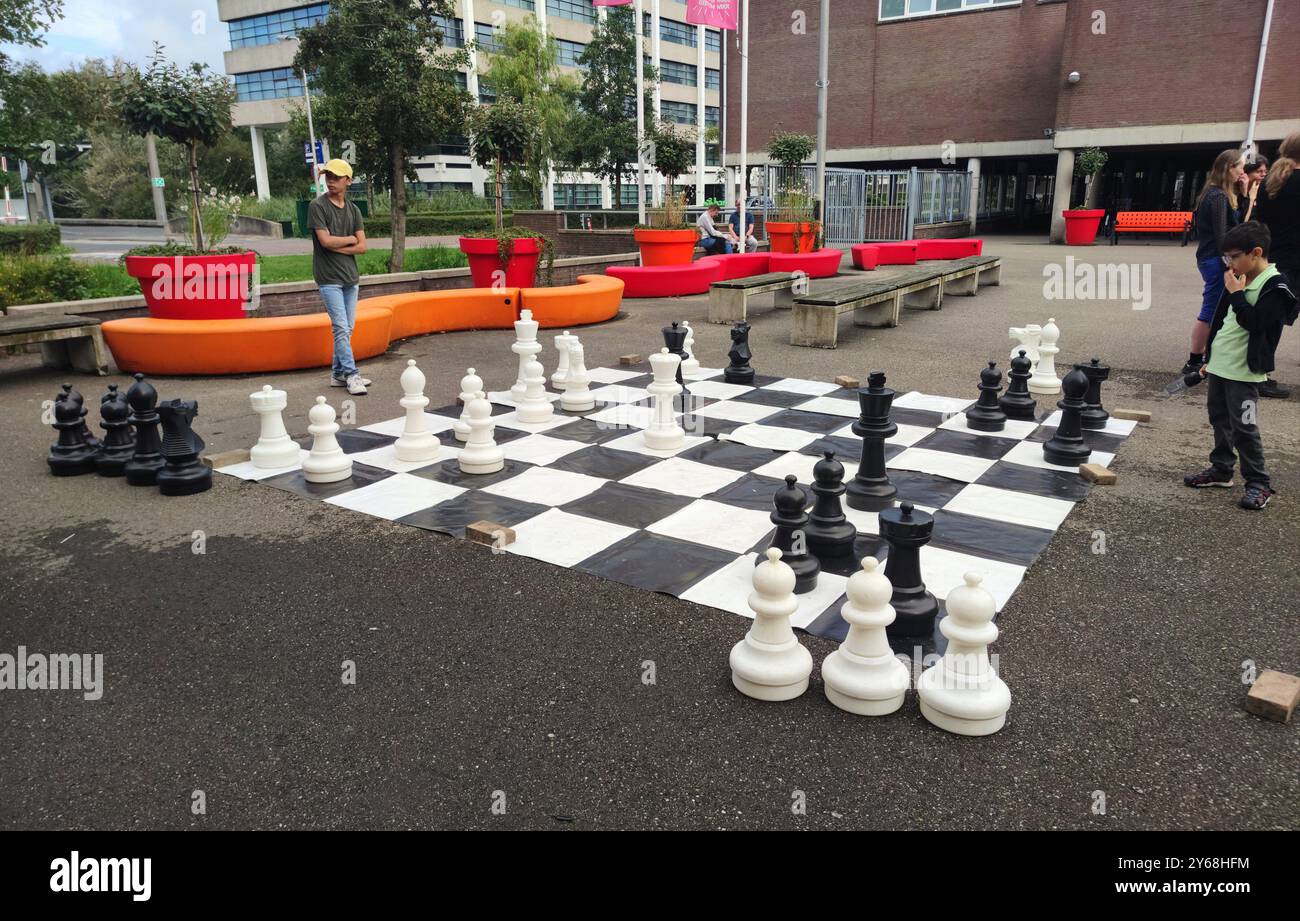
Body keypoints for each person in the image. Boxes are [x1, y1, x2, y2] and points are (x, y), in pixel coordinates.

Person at [1183, 222, 1297, 510]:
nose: (1229, 263)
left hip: (1245, 373)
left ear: (1256, 252)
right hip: (1221, 366)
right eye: (1227, 258)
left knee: (1244, 427)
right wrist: (1210, 360)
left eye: (1233, 256)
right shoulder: (1240, 276)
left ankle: (1258, 483)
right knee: (1219, 420)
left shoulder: (1277, 286)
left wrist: (1235, 293)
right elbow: (1223, 323)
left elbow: (1255, 323)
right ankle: (1221, 469)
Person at [309, 158, 370, 396]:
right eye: (328, 177)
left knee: (347, 328)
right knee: (341, 327)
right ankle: (352, 374)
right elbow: (324, 241)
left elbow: (363, 246)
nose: (330, 181)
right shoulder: (318, 206)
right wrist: (350, 239)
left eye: (336, 177)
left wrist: (339, 243)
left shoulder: (353, 210)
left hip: (350, 278)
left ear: (348, 181)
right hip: (328, 277)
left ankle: (337, 374)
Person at [1184, 148, 1245, 376]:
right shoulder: (1218, 195)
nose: (1242, 170)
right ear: (1229, 167)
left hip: (1210, 257)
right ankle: (1194, 360)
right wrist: (1231, 262)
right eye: (1239, 165)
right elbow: (1223, 236)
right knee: (1211, 309)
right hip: (1215, 259)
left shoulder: (1213, 193)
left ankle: (1202, 357)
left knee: (1215, 307)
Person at [1255, 131, 1300, 399]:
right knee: (1274, 320)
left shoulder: (1272, 181)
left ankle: (1259, 371)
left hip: (1270, 258)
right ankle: (1258, 374)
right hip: (1292, 260)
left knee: (1270, 318)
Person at [1237, 156, 1268, 222]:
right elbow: (1243, 220)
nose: (1263, 174)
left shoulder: (1264, 191)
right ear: (1246, 173)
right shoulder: (1236, 193)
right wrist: (1245, 195)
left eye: (1265, 171)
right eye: (1259, 171)